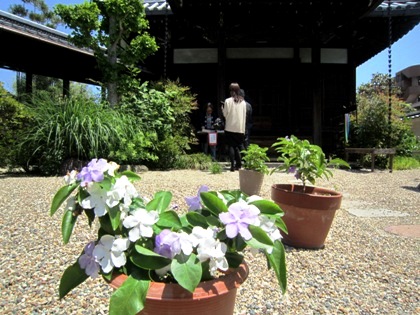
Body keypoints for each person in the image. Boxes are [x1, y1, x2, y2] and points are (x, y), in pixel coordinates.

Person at [222, 82, 247, 171]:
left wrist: (222, 109)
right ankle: (240, 164)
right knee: (239, 146)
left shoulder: (228, 101)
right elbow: (244, 116)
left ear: (231, 91)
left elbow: (225, 114)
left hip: (230, 127)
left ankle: (233, 165)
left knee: (231, 146)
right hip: (240, 128)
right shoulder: (243, 102)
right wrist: (243, 129)